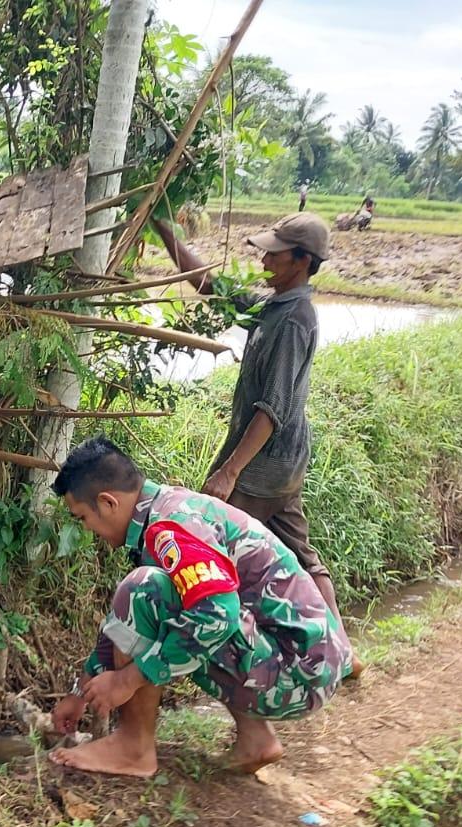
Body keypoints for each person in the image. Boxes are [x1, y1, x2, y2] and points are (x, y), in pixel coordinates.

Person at [46, 438, 350, 778]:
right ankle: (255, 739)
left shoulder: (169, 529)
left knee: (145, 589)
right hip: (307, 664)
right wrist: (81, 692)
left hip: (299, 675)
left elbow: (217, 615)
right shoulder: (168, 509)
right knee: (175, 607)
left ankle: (133, 748)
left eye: (83, 518)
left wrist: (127, 680)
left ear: (107, 502)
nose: (86, 529)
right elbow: (131, 622)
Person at [152, 209, 360, 676]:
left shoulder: (294, 320)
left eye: (275, 254)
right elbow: (213, 288)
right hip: (283, 461)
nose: (264, 259)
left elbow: (272, 407)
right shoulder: (276, 306)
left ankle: (208, 660)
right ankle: (343, 653)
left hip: (265, 464)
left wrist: (230, 472)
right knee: (301, 555)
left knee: (205, 541)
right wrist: (164, 228)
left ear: (302, 261)